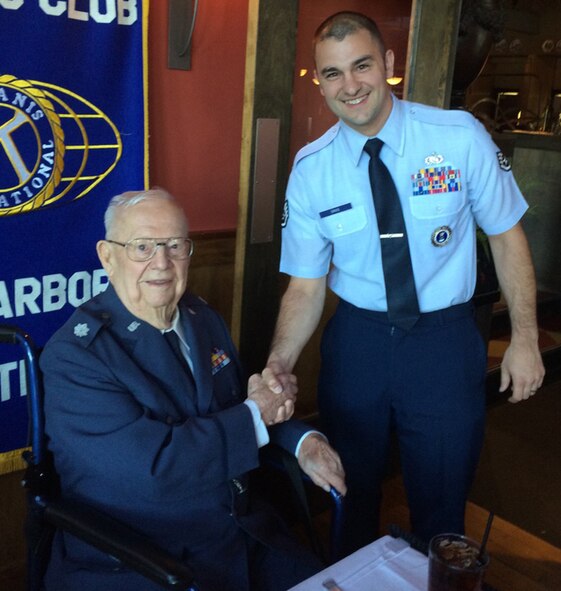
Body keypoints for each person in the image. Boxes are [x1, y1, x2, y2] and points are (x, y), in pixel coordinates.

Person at [263, 11, 545, 556]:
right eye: (333, 74)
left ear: (389, 65)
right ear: (318, 82)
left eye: (362, 65)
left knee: (442, 504)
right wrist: (279, 364)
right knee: (348, 494)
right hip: (358, 345)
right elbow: (305, 286)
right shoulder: (311, 169)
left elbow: (509, 237)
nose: (350, 86)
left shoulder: (457, 137)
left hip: (442, 343)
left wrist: (526, 339)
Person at [40, 188, 346, 591]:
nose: (162, 263)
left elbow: (238, 406)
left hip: (237, 531)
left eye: (175, 245)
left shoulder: (202, 319)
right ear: (107, 256)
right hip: (142, 555)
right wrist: (259, 412)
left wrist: (302, 440)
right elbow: (156, 469)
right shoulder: (77, 356)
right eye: (142, 247)